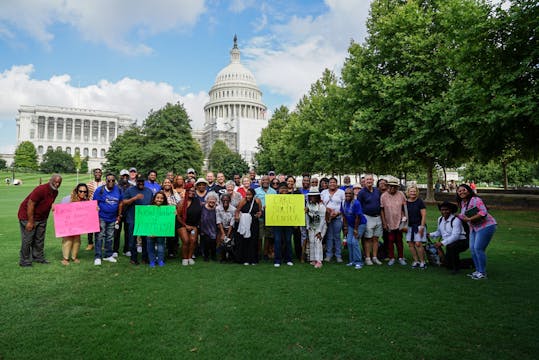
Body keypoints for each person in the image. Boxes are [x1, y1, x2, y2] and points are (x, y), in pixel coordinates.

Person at [18, 174, 62, 267]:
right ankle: (24, 261)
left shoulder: (55, 192)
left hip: (42, 218)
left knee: (39, 239)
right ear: (51, 180)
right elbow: (30, 204)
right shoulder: (41, 189)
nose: (57, 184)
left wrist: (52, 205)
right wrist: (30, 221)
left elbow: (46, 203)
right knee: (28, 239)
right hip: (27, 216)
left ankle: (38, 257)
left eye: (59, 182)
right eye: (55, 181)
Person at [456, 184, 496, 280]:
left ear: (469, 190)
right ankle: (478, 271)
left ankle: (482, 273)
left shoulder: (475, 200)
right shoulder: (463, 203)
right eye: (459, 191)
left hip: (486, 226)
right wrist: (455, 215)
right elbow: (463, 215)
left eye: (463, 190)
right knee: (473, 249)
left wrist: (469, 219)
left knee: (478, 248)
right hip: (474, 228)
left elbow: (483, 212)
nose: (461, 192)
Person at [429, 201, 468, 274]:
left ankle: (456, 269)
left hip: (461, 242)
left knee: (451, 247)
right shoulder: (440, 219)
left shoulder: (456, 220)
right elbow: (439, 232)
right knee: (447, 264)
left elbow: (455, 236)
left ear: (451, 210)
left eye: (446, 210)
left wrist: (442, 243)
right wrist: (429, 234)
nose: (444, 211)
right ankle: (471, 262)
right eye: (442, 210)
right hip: (450, 243)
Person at [92, 173, 123, 265]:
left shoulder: (118, 190)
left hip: (113, 218)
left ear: (115, 181)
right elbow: (94, 203)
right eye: (109, 180)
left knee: (110, 237)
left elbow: (120, 203)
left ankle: (108, 255)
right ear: (105, 181)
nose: (111, 182)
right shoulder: (99, 190)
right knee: (99, 236)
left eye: (113, 180)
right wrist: (96, 209)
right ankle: (98, 256)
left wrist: (119, 215)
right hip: (101, 217)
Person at [122, 175, 153, 265]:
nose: (140, 183)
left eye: (142, 181)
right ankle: (133, 258)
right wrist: (134, 198)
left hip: (145, 219)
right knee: (132, 239)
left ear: (145, 182)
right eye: (138, 181)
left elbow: (152, 203)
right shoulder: (130, 190)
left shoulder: (149, 191)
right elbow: (124, 202)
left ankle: (145, 257)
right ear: (136, 181)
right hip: (132, 218)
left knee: (145, 239)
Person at [59, 183, 90, 265]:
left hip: (78, 224)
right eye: (80, 191)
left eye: (85, 191)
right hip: (68, 223)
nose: (82, 193)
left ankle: (74, 257)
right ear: (76, 191)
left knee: (77, 239)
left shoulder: (86, 201)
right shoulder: (68, 199)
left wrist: (95, 209)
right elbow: (60, 210)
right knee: (68, 239)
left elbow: (88, 212)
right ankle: (65, 259)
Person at [380, 179, 407, 266]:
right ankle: (391, 257)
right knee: (390, 240)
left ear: (397, 187)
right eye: (390, 186)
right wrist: (384, 223)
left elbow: (405, 208)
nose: (392, 188)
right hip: (389, 222)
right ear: (388, 186)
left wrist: (405, 220)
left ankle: (401, 257)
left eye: (394, 186)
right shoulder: (383, 196)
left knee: (399, 240)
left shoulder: (401, 194)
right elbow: (382, 210)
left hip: (400, 221)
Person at [358, 174, 383, 265]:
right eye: (367, 179)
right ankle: (368, 258)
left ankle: (375, 257)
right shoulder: (362, 192)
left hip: (378, 217)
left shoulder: (377, 191)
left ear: (373, 181)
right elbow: (359, 206)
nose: (369, 181)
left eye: (370, 179)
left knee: (376, 238)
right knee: (368, 238)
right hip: (367, 217)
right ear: (364, 181)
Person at [177, 183, 202, 266]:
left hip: (193, 224)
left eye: (193, 191)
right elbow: (178, 217)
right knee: (186, 241)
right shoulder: (182, 202)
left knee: (193, 241)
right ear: (186, 191)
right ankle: (184, 258)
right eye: (190, 191)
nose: (191, 192)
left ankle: (190, 257)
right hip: (182, 224)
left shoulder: (197, 201)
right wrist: (185, 225)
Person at [321, 177, 345, 263]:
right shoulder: (324, 192)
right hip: (327, 217)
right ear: (328, 184)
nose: (332, 184)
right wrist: (327, 209)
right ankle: (328, 255)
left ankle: (338, 255)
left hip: (337, 217)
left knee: (337, 236)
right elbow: (321, 203)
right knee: (329, 236)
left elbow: (344, 205)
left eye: (334, 182)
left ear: (336, 183)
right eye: (330, 182)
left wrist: (338, 213)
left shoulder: (341, 192)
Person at [235, 188, 262, 265]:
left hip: (254, 222)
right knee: (245, 240)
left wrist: (258, 215)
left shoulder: (257, 201)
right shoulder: (243, 201)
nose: (248, 196)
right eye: (247, 194)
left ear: (253, 195)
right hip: (244, 222)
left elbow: (260, 211)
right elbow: (237, 210)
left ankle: (253, 259)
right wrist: (237, 217)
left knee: (253, 240)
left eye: (250, 195)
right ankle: (245, 259)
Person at [341, 188, 366, 270]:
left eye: (350, 194)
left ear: (353, 195)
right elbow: (344, 216)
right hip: (350, 225)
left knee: (354, 242)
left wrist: (355, 230)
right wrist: (345, 227)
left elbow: (358, 217)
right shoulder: (343, 203)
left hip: (360, 224)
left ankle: (358, 262)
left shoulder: (356, 203)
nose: (348, 195)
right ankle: (352, 261)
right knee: (349, 241)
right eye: (346, 194)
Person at [255, 175, 277, 261]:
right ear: (261, 181)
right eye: (263, 180)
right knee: (259, 236)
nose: (265, 181)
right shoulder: (256, 191)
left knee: (268, 236)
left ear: (269, 181)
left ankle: (265, 253)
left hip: (270, 216)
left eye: (267, 180)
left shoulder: (274, 192)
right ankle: (259, 253)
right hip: (260, 216)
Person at [272, 183, 295, 267]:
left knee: (288, 241)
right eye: (282, 188)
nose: (284, 190)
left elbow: (295, 210)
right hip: (277, 223)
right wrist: (267, 208)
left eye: (285, 188)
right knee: (277, 241)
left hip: (289, 223)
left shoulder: (292, 198)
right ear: (278, 190)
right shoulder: (274, 198)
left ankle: (288, 259)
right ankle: (277, 260)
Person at [405, 185, 427, 269]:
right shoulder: (405, 202)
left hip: (418, 226)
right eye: (411, 191)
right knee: (410, 244)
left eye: (414, 191)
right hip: (409, 226)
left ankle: (422, 261)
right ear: (408, 192)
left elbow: (424, 215)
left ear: (417, 192)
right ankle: (416, 261)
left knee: (418, 244)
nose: (413, 193)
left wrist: (422, 227)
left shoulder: (419, 201)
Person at [305, 187, 327, 268]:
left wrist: (319, 231)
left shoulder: (321, 206)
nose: (312, 197)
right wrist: (307, 226)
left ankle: (319, 260)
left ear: (318, 196)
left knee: (318, 241)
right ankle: (313, 259)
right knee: (312, 242)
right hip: (311, 226)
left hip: (321, 227)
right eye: (311, 196)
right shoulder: (308, 204)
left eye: (314, 196)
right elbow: (307, 216)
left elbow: (322, 220)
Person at [147, 191, 169, 267]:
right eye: (157, 198)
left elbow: (168, 220)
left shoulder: (167, 209)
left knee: (161, 246)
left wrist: (173, 213)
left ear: (164, 200)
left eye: (162, 198)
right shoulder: (148, 208)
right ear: (154, 199)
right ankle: (152, 261)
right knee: (150, 246)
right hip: (150, 230)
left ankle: (160, 260)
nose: (159, 199)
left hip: (161, 231)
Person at [86, 168, 105, 250]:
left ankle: (101, 243)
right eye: (96, 172)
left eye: (99, 172)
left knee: (101, 226)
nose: (97, 174)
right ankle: (90, 243)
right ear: (94, 174)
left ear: (101, 174)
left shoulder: (104, 183)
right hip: (91, 207)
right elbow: (86, 195)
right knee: (90, 226)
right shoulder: (89, 184)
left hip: (102, 207)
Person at [162, 178, 181, 258]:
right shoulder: (160, 193)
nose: (167, 184)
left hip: (173, 217)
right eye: (165, 182)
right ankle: (162, 250)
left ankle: (171, 251)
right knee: (162, 234)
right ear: (163, 184)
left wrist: (177, 210)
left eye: (168, 182)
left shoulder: (175, 193)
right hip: (162, 217)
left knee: (173, 235)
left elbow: (179, 203)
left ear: (171, 184)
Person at [216, 193, 236, 262]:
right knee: (221, 241)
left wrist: (227, 235)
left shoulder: (233, 209)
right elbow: (219, 221)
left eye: (227, 200)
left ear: (229, 201)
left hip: (230, 228)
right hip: (221, 228)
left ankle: (230, 257)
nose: (225, 202)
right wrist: (223, 234)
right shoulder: (218, 208)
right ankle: (222, 257)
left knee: (229, 242)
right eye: (223, 200)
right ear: (221, 201)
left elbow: (232, 223)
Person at [200, 191, 219, 261]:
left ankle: (213, 256)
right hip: (204, 228)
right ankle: (206, 256)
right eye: (210, 199)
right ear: (207, 199)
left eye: (214, 199)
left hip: (214, 228)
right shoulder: (202, 206)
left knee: (213, 243)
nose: (212, 201)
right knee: (206, 243)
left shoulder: (217, 208)